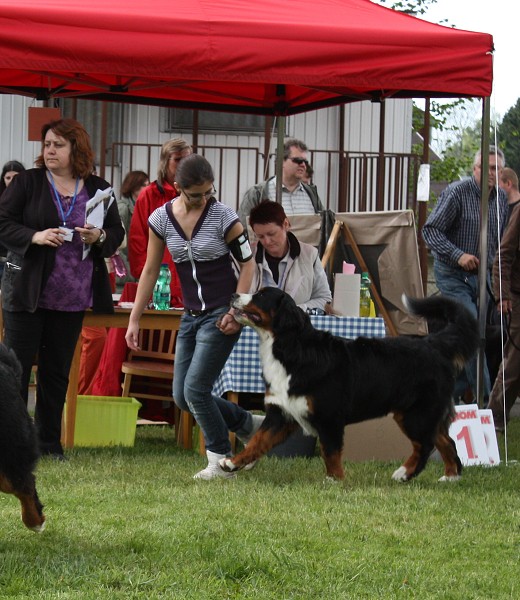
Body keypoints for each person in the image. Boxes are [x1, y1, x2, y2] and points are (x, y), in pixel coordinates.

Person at [125, 154, 261, 480]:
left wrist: (236, 311)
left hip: (221, 314)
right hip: (189, 316)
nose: (203, 199)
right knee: (182, 397)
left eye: (208, 192)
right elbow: (149, 270)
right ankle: (247, 424)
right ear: (178, 188)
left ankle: (221, 461)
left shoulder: (224, 216)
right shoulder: (160, 219)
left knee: (196, 390)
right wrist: (135, 318)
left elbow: (248, 265)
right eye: (196, 194)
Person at [0, 118, 125, 459]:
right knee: (15, 370)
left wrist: (99, 236)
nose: (50, 151)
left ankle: (48, 444)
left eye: (58, 145)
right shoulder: (28, 182)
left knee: (56, 373)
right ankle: (9, 443)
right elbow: (3, 222)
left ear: (76, 149)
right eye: (47, 145)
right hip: (28, 292)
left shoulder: (98, 187)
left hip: (72, 295)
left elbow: (116, 233)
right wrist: (34, 236)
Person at [422, 146, 508, 402]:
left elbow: (501, 242)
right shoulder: (456, 192)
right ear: (476, 169)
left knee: (477, 337)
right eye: (489, 167)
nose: (494, 173)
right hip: (453, 275)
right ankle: (486, 402)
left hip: (484, 279)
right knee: (472, 331)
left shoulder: (501, 199)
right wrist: (458, 254)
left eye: (498, 169)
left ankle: (443, 394)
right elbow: (430, 230)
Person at [128, 139, 192, 306]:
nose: (184, 164)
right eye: (178, 159)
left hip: (190, 284)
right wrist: (149, 280)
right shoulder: (148, 195)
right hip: (159, 284)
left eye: (188, 158)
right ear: (165, 161)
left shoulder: (198, 195)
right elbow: (137, 241)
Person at [248, 200, 332, 312]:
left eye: (271, 234)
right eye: (260, 236)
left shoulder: (310, 254)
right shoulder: (247, 257)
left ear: (286, 225)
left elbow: (324, 299)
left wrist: (296, 310)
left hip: (296, 325)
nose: (267, 241)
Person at [487, 196, 520, 432]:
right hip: (517, 296)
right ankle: (494, 418)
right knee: (514, 363)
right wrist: (503, 295)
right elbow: (503, 255)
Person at [238, 138, 324, 227]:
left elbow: (325, 226)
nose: (303, 165)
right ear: (282, 161)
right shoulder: (257, 193)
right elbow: (242, 227)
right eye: (298, 160)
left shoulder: (312, 194)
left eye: (305, 161)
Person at [116, 169, 149, 288]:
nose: (147, 188)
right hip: (124, 276)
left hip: (135, 272)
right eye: (144, 185)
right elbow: (117, 247)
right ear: (134, 187)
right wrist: (130, 273)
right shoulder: (123, 209)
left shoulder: (142, 207)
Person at [0, 161, 26, 281]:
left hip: (18, 258)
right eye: (8, 177)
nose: (11, 180)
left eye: (15, 177)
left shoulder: (30, 201)